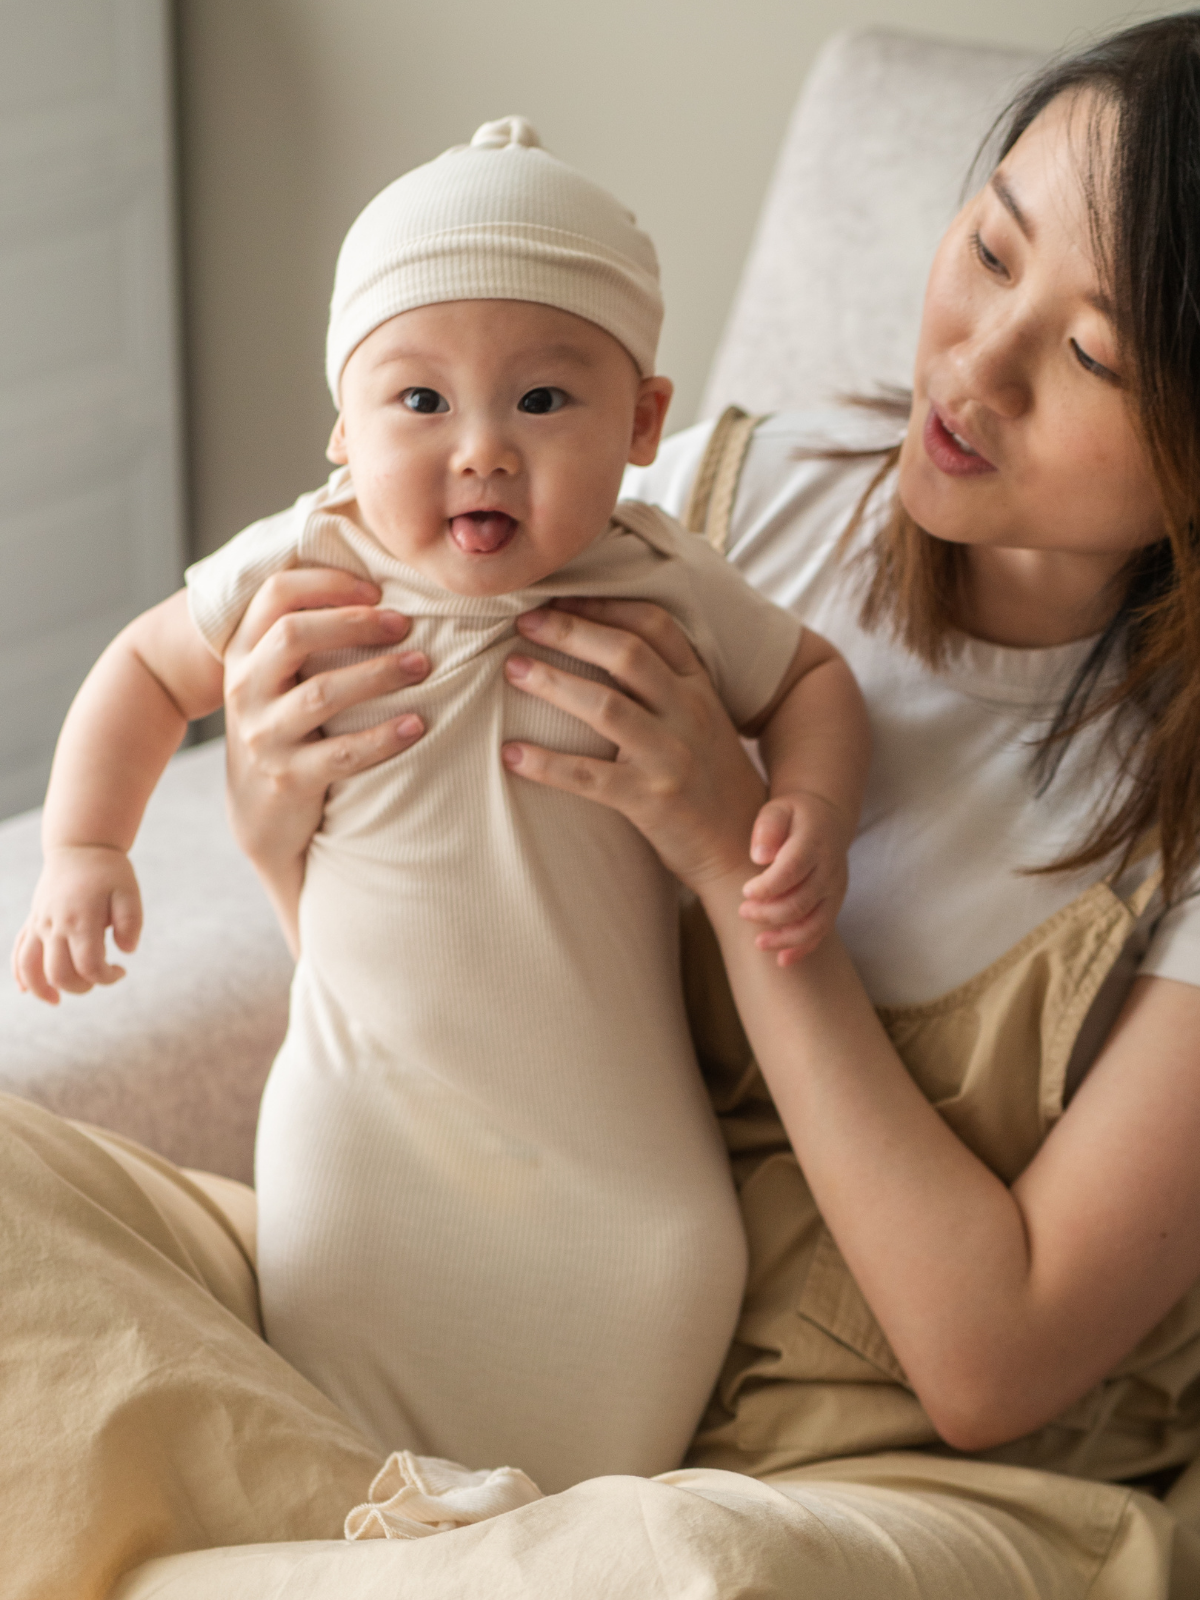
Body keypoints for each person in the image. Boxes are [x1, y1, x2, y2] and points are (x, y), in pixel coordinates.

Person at [202, 11, 1200, 1593]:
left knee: (670, 1570)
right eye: (994, 250)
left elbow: (992, 1359)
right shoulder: (728, 510)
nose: (977, 365)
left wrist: (741, 860)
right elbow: (446, 930)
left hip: (896, 1483)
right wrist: (283, 822)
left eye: (1091, 355)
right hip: (506, 1306)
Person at [9, 118, 869, 1493]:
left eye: (542, 402)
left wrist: (810, 808)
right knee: (346, 1402)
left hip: (614, 1151)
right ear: (343, 429)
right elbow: (144, 668)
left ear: (644, 422)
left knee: (671, 1269)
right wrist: (85, 846)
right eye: (420, 403)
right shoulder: (314, 555)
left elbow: (815, 679)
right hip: (370, 1131)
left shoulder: (663, 578)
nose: (480, 450)